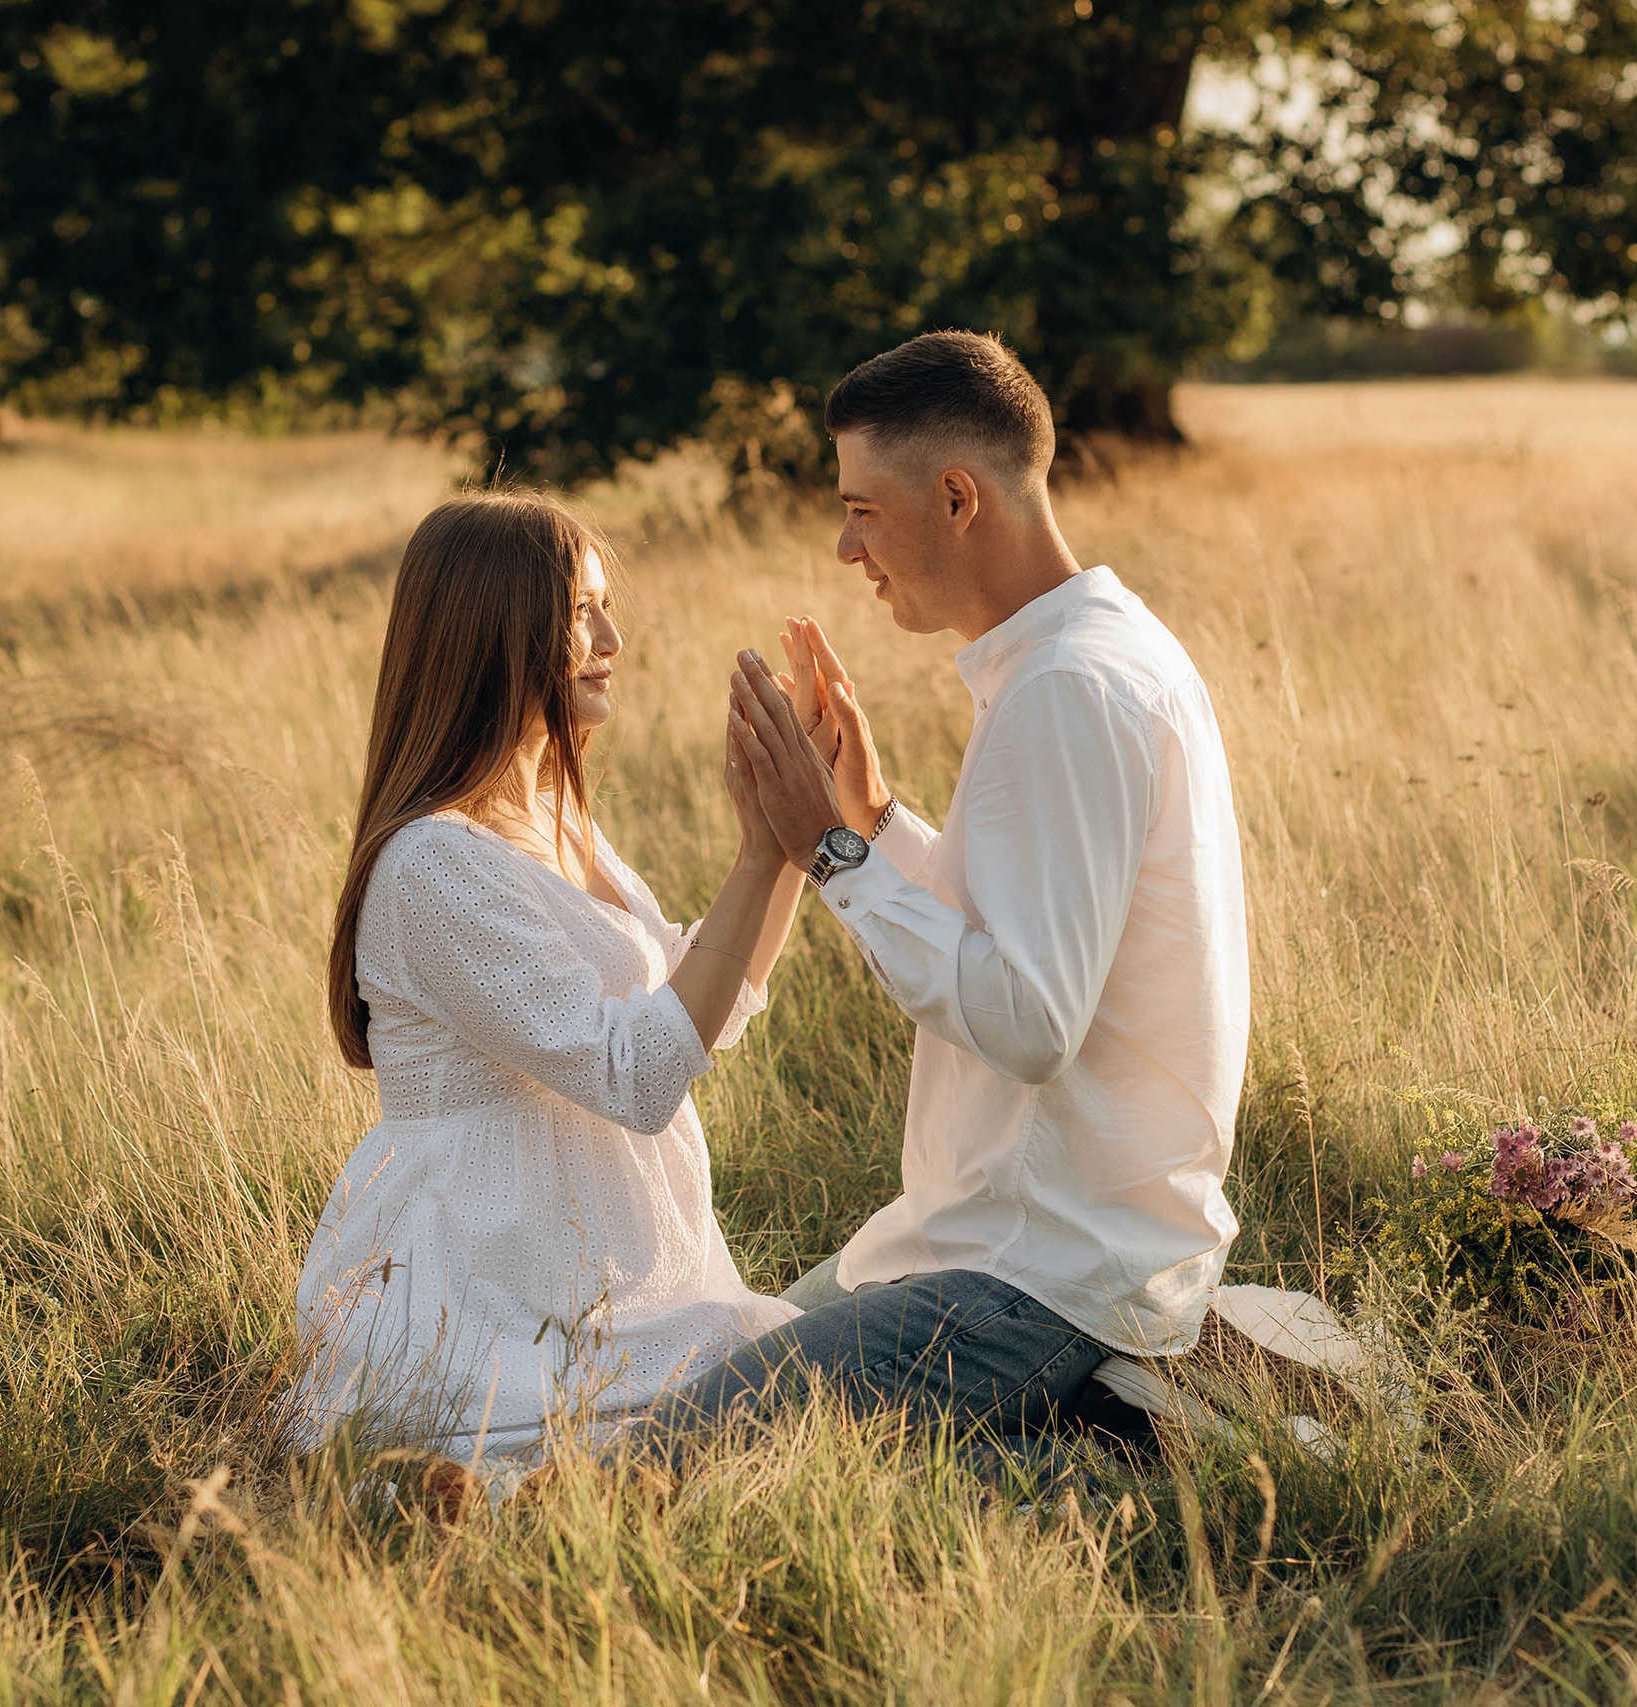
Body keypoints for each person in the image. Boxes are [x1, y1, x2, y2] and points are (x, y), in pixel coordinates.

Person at [642, 331, 1252, 1451]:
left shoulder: (1066, 689)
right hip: (986, 1239)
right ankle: (1088, 1422)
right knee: (721, 1359)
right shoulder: (1084, 656)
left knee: (670, 1458)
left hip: (1036, 1276)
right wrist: (873, 815)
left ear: (958, 496)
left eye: (863, 509)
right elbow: (1027, 930)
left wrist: (830, 851)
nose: (843, 546)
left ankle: (1113, 1442)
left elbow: (1028, 1023)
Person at [286, 491, 807, 1481]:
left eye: (604, 607)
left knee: (770, 1394)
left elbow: (704, 1013)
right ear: (493, 631)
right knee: (731, 1410)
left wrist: (781, 851)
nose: (610, 637)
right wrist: (756, 853)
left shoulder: (560, 817)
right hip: (490, 1277)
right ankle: (435, 1497)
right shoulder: (433, 865)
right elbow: (636, 1077)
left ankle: (501, 1494)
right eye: (579, 612)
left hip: (602, 1259)